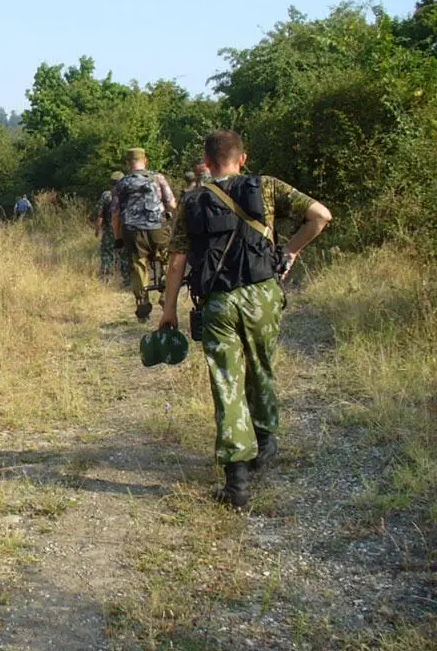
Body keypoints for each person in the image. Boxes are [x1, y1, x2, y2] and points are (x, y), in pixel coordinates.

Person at [158, 130, 332, 510]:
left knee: (226, 381)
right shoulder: (266, 187)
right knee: (261, 366)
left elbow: (176, 263)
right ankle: (266, 442)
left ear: (206, 163)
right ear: (243, 158)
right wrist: (290, 251)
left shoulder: (192, 200)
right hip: (262, 295)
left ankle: (236, 481)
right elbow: (320, 216)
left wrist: (168, 310)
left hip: (217, 301)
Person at [112, 148, 177, 320]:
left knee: (138, 264)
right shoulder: (158, 178)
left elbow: (116, 215)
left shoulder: (122, 184)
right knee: (165, 259)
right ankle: (165, 293)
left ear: (128, 163)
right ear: (145, 160)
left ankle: (143, 305)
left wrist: (118, 237)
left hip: (132, 230)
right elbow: (171, 203)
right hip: (157, 228)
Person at [96, 172, 125, 279]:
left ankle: (105, 275)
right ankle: (126, 279)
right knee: (124, 254)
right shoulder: (128, 194)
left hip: (110, 229)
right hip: (125, 229)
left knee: (107, 252)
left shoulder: (106, 195)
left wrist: (97, 229)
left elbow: (100, 214)